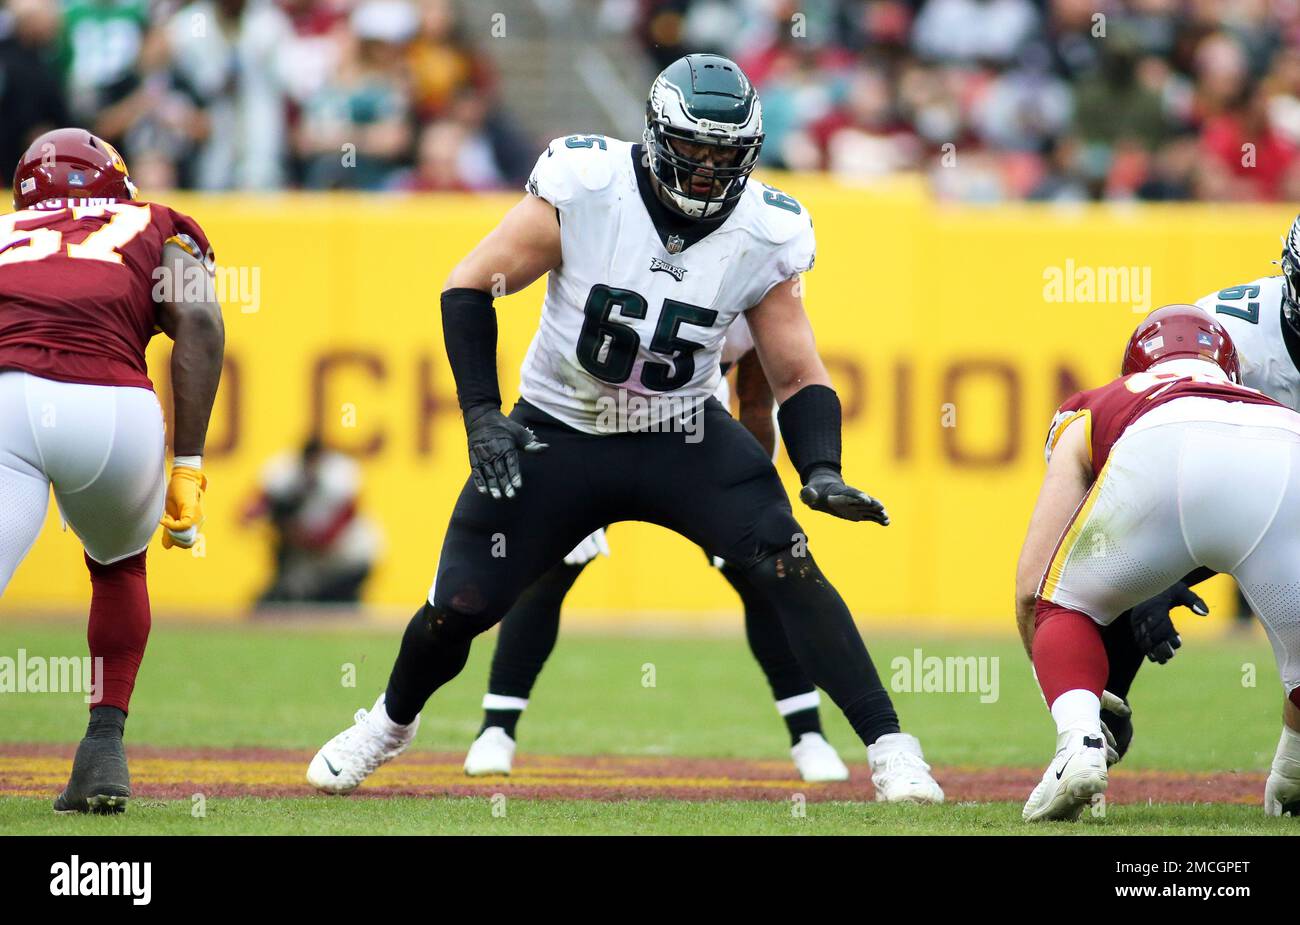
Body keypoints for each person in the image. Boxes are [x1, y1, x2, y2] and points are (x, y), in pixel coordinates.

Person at [306, 53, 944, 804]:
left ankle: (892, 746)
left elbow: (797, 373)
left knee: (784, 559)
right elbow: (469, 285)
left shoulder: (765, 229)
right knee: (461, 604)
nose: (707, 174)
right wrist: (481, 414)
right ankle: (387, 722)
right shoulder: (590, 185)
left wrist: (821, 469)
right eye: (695, 153)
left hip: (681, 433)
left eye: (724, 158)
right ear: (657, 137)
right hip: (560, 426)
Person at [463, 323, 849, 783]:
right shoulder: (625, 260)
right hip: (593, 424)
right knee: (551, 569)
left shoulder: (756, 278)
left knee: (760, 574)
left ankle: (809, 735)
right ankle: (496, 730)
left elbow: (756, 403)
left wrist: (755, 501)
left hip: (689, 435)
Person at [0, 128, 224, 813]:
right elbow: (201, 320)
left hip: (9, 394)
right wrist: (187, 464)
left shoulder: (6, 232)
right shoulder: (155, 222)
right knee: (120, 567)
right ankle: (103, 746)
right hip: (115, 409)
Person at [1015, 305, 1300, 821]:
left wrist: (1074, 698)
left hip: (1157, 442)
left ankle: (1078, 748)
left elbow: (1031, 590)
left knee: (1064, 603)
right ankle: (1296, 768)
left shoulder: (1101, 402)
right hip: (1283, 448)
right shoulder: (1269, 403)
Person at [1100, 212, 1300, 764]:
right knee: (1112, 559)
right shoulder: (1226, 329)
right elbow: (1162, 459)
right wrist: (1156, 570)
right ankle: (1093, 720)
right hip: (1218, 477)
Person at [240, 437, 381, 608]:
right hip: (307, 563)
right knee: (277, 603)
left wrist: (290, 532)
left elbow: (331, 536)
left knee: (335, 606)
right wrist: (268, 515)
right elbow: (248, 512)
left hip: (347, 560)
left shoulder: (340, 478)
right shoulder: (285, 473)